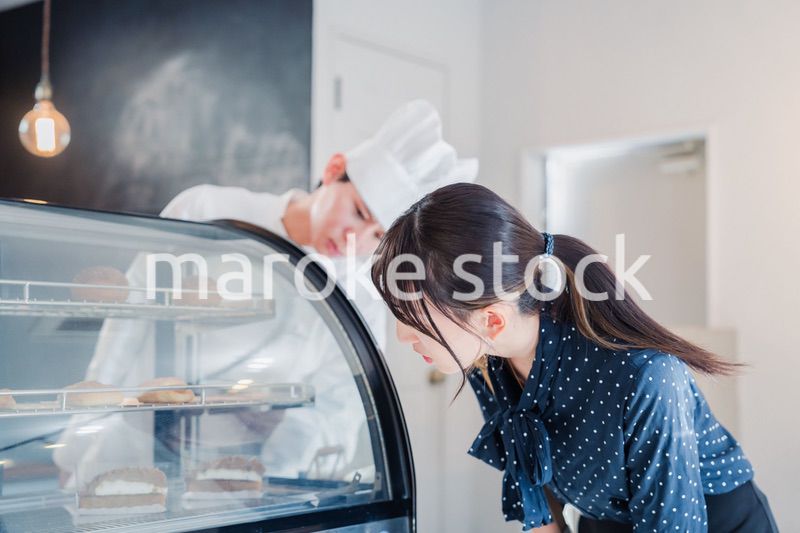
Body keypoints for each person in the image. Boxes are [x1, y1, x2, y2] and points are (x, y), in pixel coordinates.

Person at [54, 100, 477, 486]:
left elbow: (341, 405)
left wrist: (270, 475)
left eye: (377, 235)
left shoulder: (360, 295)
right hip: (132, 445)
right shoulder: (206, 210)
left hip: (244, 477)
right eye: (357, 211)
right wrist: (77, 439)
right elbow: (127, 323)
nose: (355, 238)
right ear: (334, 170)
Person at [370, 183, 778, 532]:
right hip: (605, 521)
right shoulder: (486, 361)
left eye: (413, 318)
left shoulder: (645, 378)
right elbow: (531, 483)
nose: (403, 336)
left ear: (491, 320)